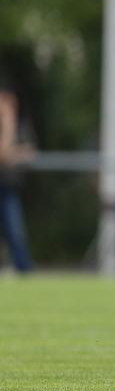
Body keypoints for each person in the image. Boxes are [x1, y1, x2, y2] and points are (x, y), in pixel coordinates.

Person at [0, 86, 35, 273]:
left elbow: (29, 153)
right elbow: (5, 153)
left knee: (16, 232)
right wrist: (7, 122)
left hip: (9, 187)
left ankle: (24, 271)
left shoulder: (22, 125)